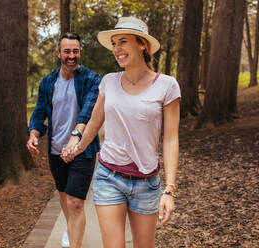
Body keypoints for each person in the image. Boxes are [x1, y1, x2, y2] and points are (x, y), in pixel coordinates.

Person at [61, 17, 181, 248]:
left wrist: (170, 189)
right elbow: (94, 123)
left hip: (147, 183)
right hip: (108, 178)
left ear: (142, 44)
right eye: (114, 43)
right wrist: (77, 148)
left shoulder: (167, 85)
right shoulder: (109, 82)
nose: (117, 49)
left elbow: (171, 138)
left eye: (123, 42)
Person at [27, 32, 101, 248]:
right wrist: (34, 134)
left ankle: (74, 242)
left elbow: (88, 112)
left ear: (80, 53)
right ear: (59, 53)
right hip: (56, 151)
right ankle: (72, 228)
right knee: (63, 194)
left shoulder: (91, 79)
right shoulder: (48, 82)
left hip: (82, 151)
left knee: (76, 202)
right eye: (67, 51)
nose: (71, 55)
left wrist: (75, 139)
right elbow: (39, 113)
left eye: (75, 51)